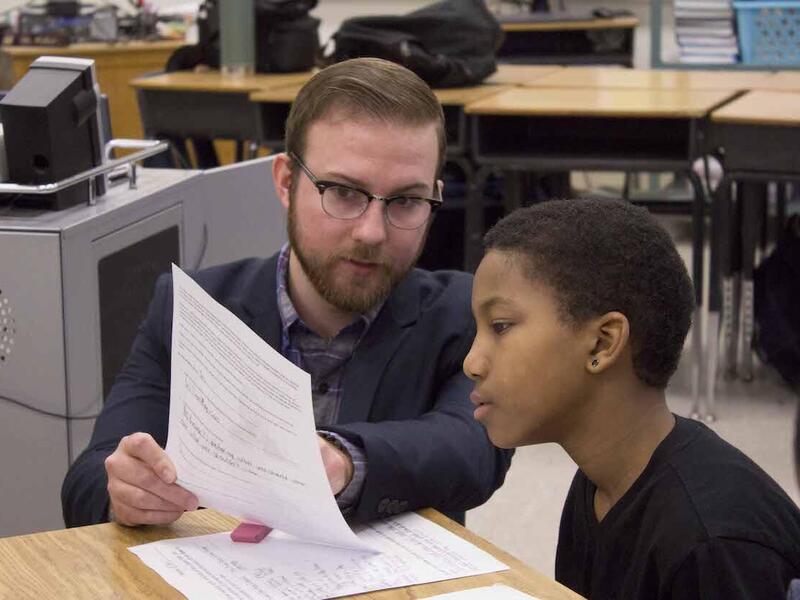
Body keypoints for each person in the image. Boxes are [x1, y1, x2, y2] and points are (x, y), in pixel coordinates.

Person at [62, 57, 512, 528]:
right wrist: (124, 492)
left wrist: (341, 460)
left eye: (406, 201)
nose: (372, 232)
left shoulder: (462, 313)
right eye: (343, 192)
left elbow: (475, 452)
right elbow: (88, 479)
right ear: (285, 182)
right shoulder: (194, 307)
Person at [463, 198, 800, 599]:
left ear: (602, 344)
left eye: (500, 326)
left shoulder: (710, 542)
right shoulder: (600, 483)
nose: (472, 362)